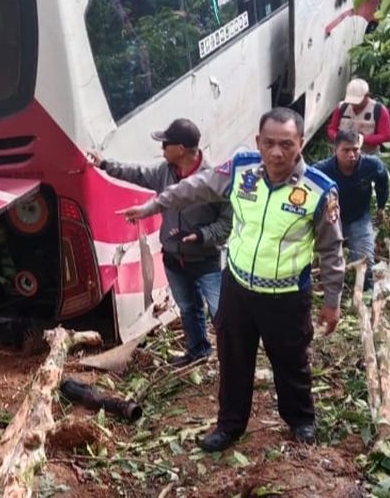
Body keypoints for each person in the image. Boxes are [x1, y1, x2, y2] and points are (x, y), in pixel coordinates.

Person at [119, 108, 344, 452]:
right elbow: (194, 188)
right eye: (269, 143)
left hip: (286, 296)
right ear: (258, 142)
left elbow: (331, 250)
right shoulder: (241, 170)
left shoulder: (319, 191)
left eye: (286, 144)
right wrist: (154, 206)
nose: (277, 152)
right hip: (237, 287)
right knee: (234, 359)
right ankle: (230, 426)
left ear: (300, 144)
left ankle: (300, 421)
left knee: (290, 360)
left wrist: (332, 302)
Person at [89, 118, 231, 366]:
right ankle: (198, 350)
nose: (161, 148)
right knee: (188, 308)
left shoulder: (214, 179)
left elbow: (227, 225)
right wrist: (105, 164)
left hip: (206, 260)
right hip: (175, 258)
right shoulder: (164, 172)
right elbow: (136, 172)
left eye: (166, 144)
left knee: (221, 313)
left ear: (180, 149)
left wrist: (201, 236)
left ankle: (234, 358)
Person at [313, 130, 389, 292]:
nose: (352, 155)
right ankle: (330, 294)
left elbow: (383, 182)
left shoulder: (372, 165)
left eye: (355, 150)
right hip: (331, 219)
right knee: (329, 264)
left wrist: (381, 206)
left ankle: (367, 296)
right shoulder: (321, 170)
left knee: (365, 264)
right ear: (335, 150)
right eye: (346, 150)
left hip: (359, 218)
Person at [326, 78, 390, 154]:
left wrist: (362, 139)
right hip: (342, 155)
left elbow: (386, 136)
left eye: (357, 101)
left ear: (367, 96)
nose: (354, 104)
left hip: (368, 154)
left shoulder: (379, 110)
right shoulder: (341, 107)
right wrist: (338, 137)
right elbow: (331, 128)